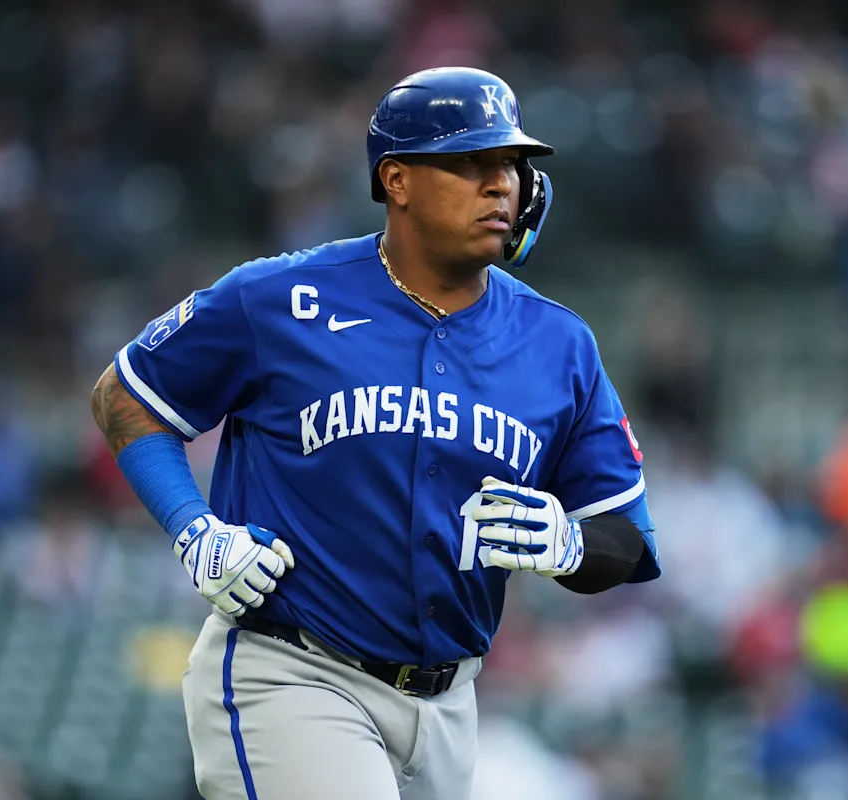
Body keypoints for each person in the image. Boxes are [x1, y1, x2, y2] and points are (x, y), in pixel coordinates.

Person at [90, 66, 661, 800]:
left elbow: (629, 536)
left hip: (450, 708)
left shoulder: (560, 345)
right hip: (292, 674)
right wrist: (194, 529)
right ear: (397, 180)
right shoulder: (282, 297)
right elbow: (125, 395)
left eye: (513, 165)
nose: (502, 185)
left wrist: (572, 543)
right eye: (471, 162)